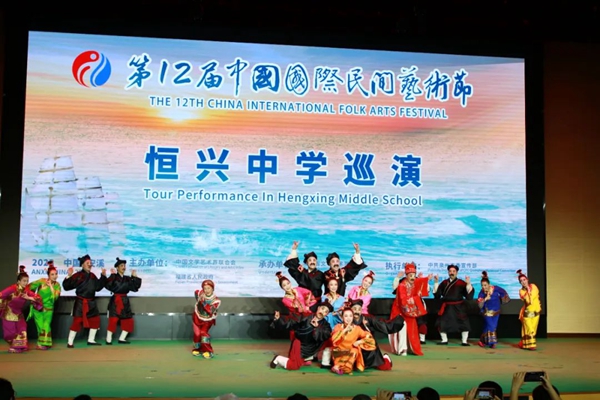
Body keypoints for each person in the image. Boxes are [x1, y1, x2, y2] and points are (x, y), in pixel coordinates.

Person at [270, 302, 333, 370]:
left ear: (327, 314)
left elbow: (326, 334)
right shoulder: (305, 316)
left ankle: (324, 363)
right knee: (293, 366)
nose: (322, 312)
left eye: (326, 312)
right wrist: (278, 319)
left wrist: (317, 327)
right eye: (322, 309)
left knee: (330, 340)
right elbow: (291, 321)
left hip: (311, 348)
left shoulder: (326, 325)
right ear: (318, 308)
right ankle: (278, 358)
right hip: (299, 344)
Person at [62, 255, 107, 347]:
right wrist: (69, 275)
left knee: (95, 319)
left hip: (91, 302)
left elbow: (98, 287)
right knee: (77, 321)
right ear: (82, 265)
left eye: (90, 263)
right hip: (80, 302)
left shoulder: (93, 276)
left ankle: (91, 340)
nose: (89, 264)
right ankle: (70, 342)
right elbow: (66, 287)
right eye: (87, 263)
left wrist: (103, 276)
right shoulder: (78, 275)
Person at [389, 262, 430, 356]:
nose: (412, 277)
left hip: (409, 310)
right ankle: (402, 349)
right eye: (410, 275)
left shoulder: (415, 283)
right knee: (402, 328)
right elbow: (403, 300)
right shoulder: (402, 285)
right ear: (406, 275)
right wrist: (413, 300)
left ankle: (411, 348)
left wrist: (424, 281)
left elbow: (423, 292)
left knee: (412, 329)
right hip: (400, 310)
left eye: (414, 275)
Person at [0, 267, 42, 353]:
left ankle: (18, 347)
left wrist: (29, 297)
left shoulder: (26, 291)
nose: (26, 283)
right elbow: (1, 295)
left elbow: (38, 298)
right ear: (18, 281)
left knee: (22, 330)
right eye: (24, 281)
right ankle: (14, 346)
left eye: (27, 281)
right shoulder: (12, 288)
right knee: (10, 334)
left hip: (19, 314)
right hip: (9, 314)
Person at [433, 264, 474, 346]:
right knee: (442, 323)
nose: (451, 273)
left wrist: (468, 284)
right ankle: (444, 340)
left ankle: (464, 341)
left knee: (464, 323)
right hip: (447, 307)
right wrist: (436, 282)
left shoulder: (461, 283)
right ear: (448, 272)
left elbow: (469, 296)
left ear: (457, 272)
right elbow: (437, 295)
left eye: (453, 271)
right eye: (450, 271)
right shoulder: (444, 283)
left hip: (459, 307)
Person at [105, 258, 142, 345]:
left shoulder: (127, 278)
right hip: (115, 301)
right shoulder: (114, 277)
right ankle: (108, 339)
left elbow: (135, 288)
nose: (123, 267)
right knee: (113, 320)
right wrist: (112, 275)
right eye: (121, 266)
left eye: (124, 266)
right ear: (117, 268)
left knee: (128, 320)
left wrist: (135, 277)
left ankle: (122, 338)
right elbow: (108, 285)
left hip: (125, 300)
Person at [330, 308, 376, 375]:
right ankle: (339, 366)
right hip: (338, 352)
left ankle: (339, 367)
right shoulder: (338, 327)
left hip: (351, 353)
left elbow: (369, 337)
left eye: (350, 316)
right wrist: (344, 330)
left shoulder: (357, 328)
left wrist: (360, 341)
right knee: (348, 353)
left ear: (353, 317)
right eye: (346, 316)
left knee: (355, 350)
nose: (348, 318)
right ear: (342, 318)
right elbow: (333, 339)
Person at [27, 260, 61, 350]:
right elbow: (29, 287)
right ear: (48, 275)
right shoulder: (42, 281)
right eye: (52, 274)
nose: (55, 276)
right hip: (38, 308)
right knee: (40, 326)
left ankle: (45, 343)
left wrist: (51, 287)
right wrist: (33, 297)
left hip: (49, 309)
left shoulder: (57, 285)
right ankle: (40, 344)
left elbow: (54, 298)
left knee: (46, 325)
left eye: (56, 274)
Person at [477, 271, 510, 349]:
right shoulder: (482, 293)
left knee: (488, 327)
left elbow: (503, 292)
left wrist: (501, 299)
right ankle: (493, 342)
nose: (484, 287)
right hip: (487, 313)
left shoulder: (496, 288)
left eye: (485, 285)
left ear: (489, 284)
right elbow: (479, 304)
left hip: (496, 312)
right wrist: (485, 299)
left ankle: (482, 341)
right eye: (482, 285)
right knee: (492, 326)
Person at [192, 279, 221, 358]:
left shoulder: (216, 300)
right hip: (197, 317)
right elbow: (196, 292)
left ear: (212, 288)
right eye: (205, 288)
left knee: (203, 333)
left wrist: (203, 302)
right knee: (197, 334)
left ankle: (208, 351)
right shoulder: (201, 294)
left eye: (208, 288)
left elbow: (210, 310)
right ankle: (197, 349)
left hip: (207, 320)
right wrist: (199, 298)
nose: (207, 290)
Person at [516, 269, 542, 351]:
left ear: (527, 280)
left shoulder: (534, 286)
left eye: (524, 280)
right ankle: (532, 345)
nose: (523, 282)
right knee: (530, 329)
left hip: (536, 312)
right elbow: (528, 301)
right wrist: (528, 290)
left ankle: (524, 343)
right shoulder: (521, 291)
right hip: (527, 313)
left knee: (533, 329)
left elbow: (534, 296)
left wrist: (529, 290)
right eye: (521, 281)